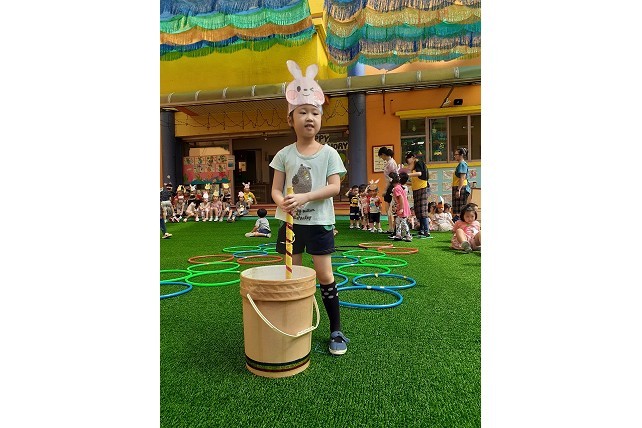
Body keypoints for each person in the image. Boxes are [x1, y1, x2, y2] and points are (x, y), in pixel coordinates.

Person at [270, 59, 349, 356]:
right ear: (290, 118)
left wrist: (304, 198)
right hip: (290, 224)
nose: (309, 118)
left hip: (318, 224)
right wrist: (282, 202)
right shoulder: (283, 154)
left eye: (315, 113)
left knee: (324, 276)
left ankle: (336, 329)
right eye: (302, 112)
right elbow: (276, 189)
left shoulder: (329, 153)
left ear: (321, 119)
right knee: (293, 276)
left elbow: (335, 187)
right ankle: (295, 324)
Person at [404, 151, 431, 238]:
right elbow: (414, 181)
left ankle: (426, 230)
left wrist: (407, 174)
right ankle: (421, 230)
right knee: (418, 210)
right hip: (417, 189)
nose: (408, 164)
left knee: (423, 210)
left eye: (408, 160)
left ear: (413, 157)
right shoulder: (414, 168)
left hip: (423, 188)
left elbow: (420, 173)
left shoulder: (419, 163)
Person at [378, 147, 399, 234]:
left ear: (383, 154)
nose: (381, 158)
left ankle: (392, 228)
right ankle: (391, 227)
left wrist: (385, 190)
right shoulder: (390, 162)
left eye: (381, 156)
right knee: (388, 208)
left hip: (391, 186)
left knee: (389, 208)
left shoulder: (391, 163)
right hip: (390, 185)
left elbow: (391, 179)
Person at [389, 171, 412, 242]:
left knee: (403, 222)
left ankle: (408, 235)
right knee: (398, 221)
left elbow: (401, 198)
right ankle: (398, 235)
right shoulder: (399, 187)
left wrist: (401, 208)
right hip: (401, 206)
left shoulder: (396, 188)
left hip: (403, 207)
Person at [452, 148, 471, 220]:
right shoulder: (460, 164)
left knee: (460, 209)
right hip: (458, 187)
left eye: (456, 154)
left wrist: (458, 190)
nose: (454, 156)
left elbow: (462, 178)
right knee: (457, 209)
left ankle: (461, 224)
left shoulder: (462, 164)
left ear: (461, 155)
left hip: (461, 188)